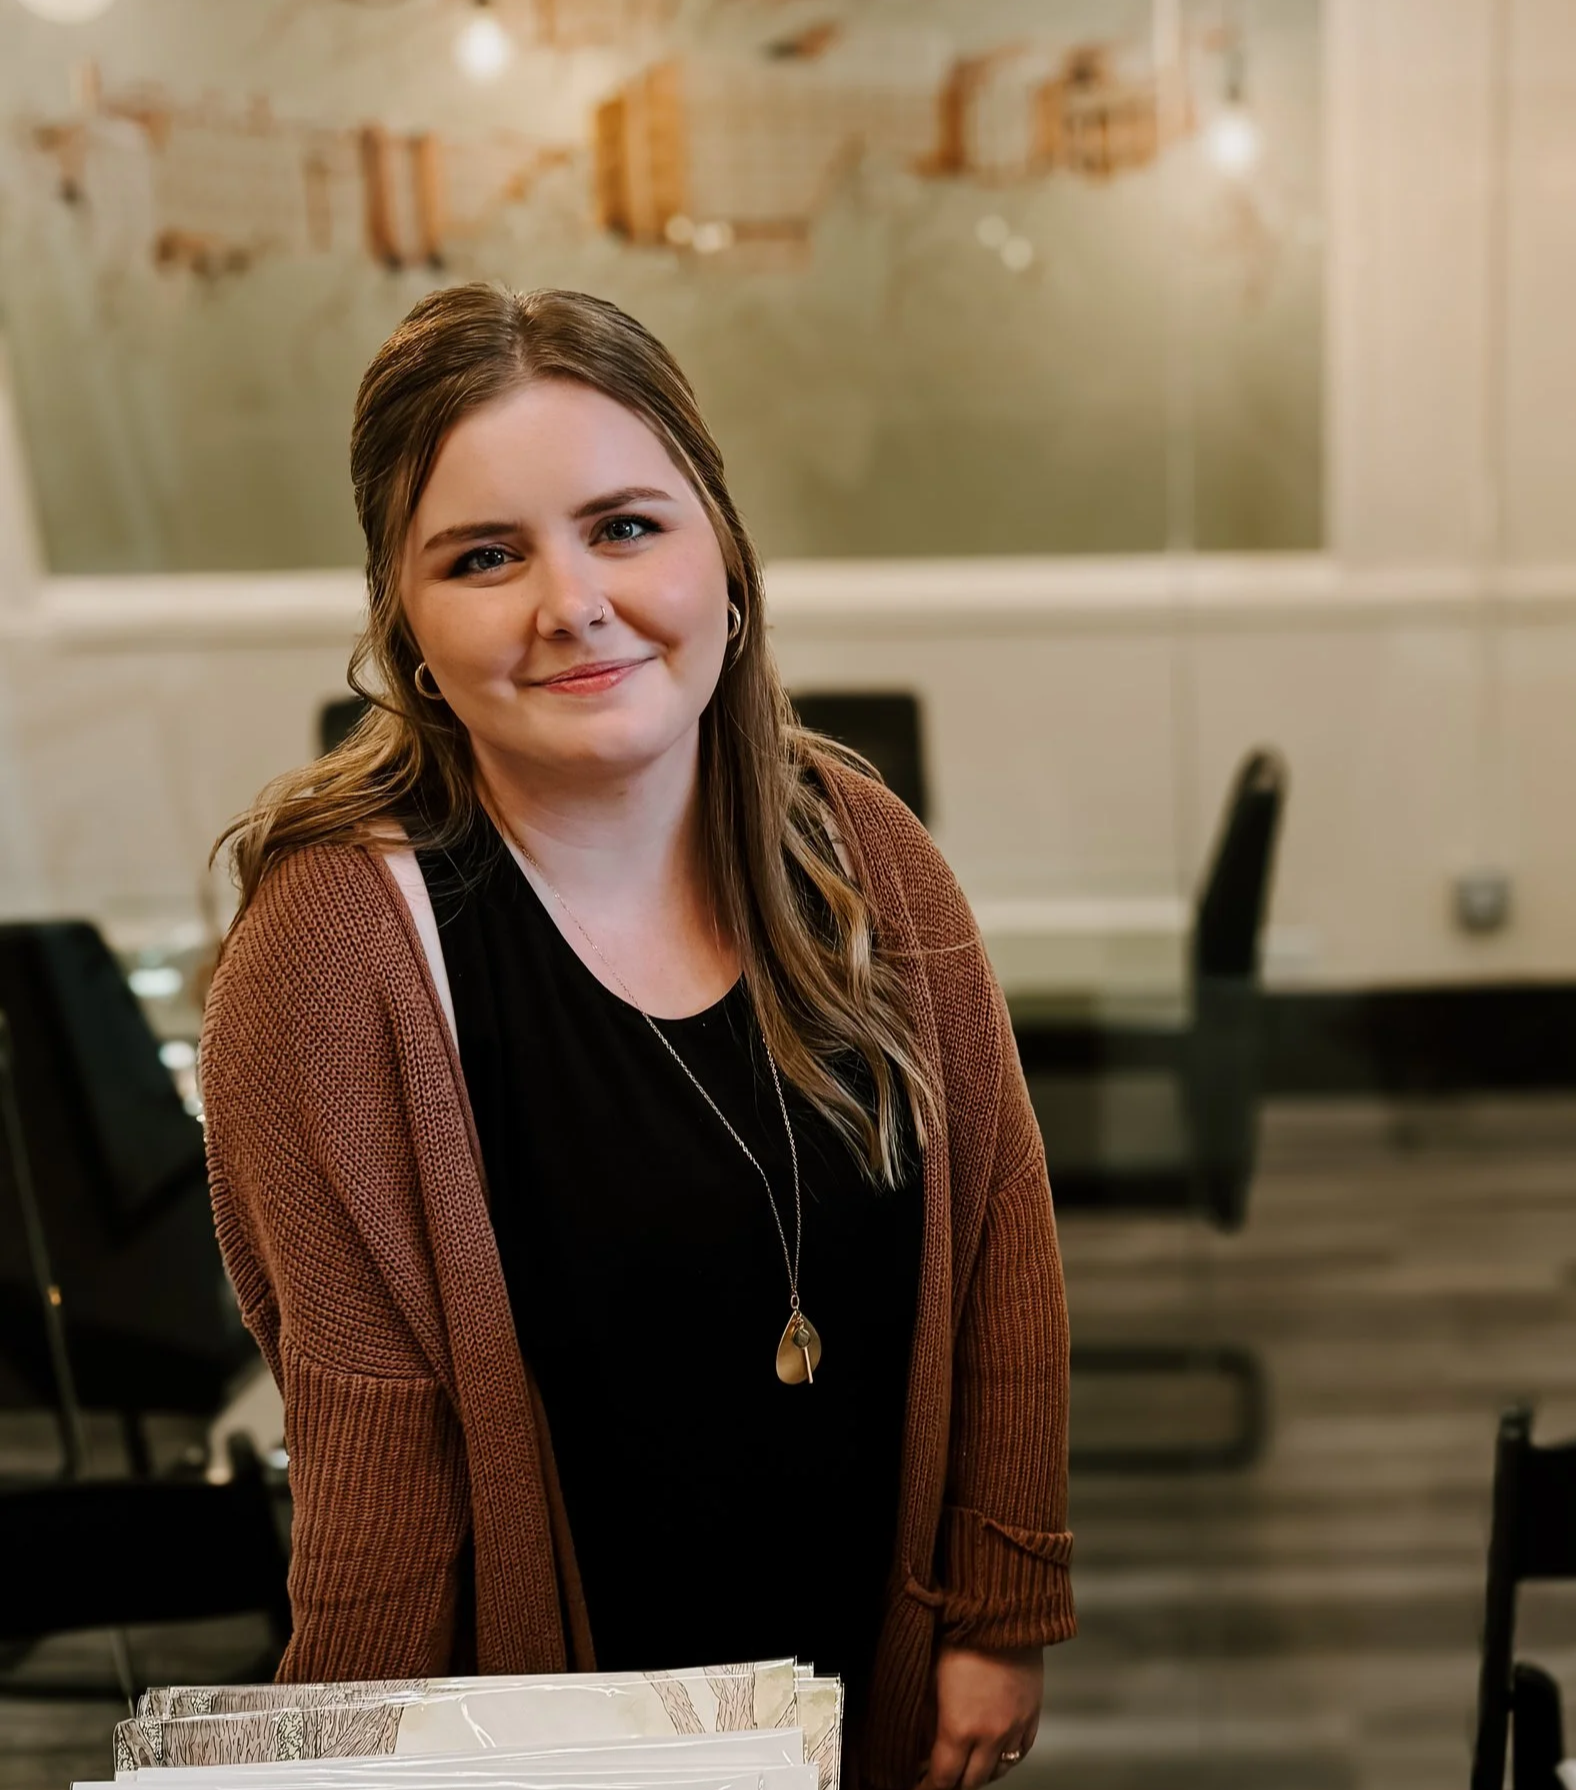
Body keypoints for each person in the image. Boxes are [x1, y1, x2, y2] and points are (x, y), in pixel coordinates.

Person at [202, 285, 1071, 1790]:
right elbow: (373, 1465)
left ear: (720, 551)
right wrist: (340, 1764)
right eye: (484, 556)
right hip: (552, 1741)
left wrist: (1001, 1610)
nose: (572, 603)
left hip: (872, 1691)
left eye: (623, 527)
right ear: (405, 622)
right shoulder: (334, 954)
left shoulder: (862, 849)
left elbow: (1000, 1238)